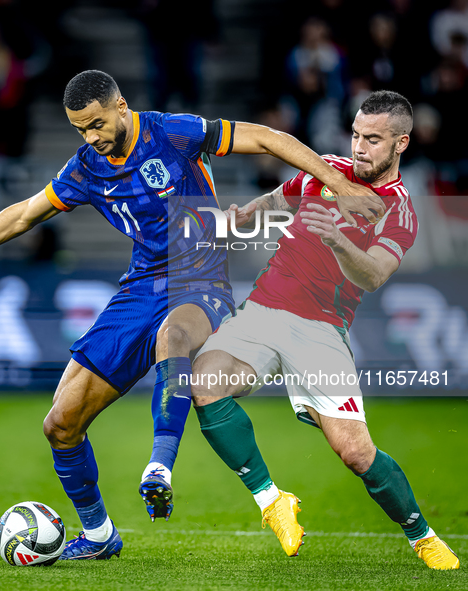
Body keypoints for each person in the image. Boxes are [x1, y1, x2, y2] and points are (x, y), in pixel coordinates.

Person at [0, 70, 382, 561]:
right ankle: (99, 535)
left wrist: (335, 181)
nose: (91, 137)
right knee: (60, 423)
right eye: (80, 128)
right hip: (139, 289)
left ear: (120, 106)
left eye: (97, 124)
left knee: (175, 336)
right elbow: (24, 214)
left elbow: (267, 138)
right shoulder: (85, 168)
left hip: (200, 283)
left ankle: (159, 468)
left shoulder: (172, 132)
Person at [191, 90, 460, 571]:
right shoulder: (326, 171)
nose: (359, 147)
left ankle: (422, 536)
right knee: (205, 383)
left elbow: (374, 275)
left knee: (356, 452)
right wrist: (248, 214)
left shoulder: (398, 211)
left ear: (401, 143)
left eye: (373, 140)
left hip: (322, 330)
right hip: (263, 310)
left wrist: (337, 240)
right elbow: (281, 195)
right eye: (356, 135)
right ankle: (273, 501)